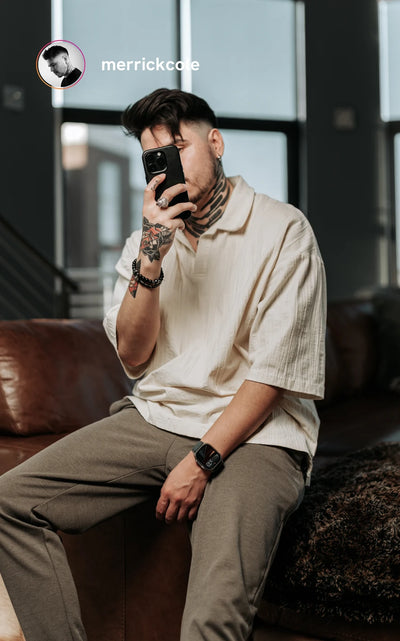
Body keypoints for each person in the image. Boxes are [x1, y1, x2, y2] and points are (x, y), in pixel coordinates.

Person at [0, 88, 326, 641]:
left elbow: (274, 375)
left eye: (179, 147)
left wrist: (202, 461)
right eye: (155, 155)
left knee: (212, 614)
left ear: (215, 143)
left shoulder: (283, 230)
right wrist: (151, 255)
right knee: (11, 503)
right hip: (158, 418)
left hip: (258, 435)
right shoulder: (145, 241)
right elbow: (132, 354)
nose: (167, 163)